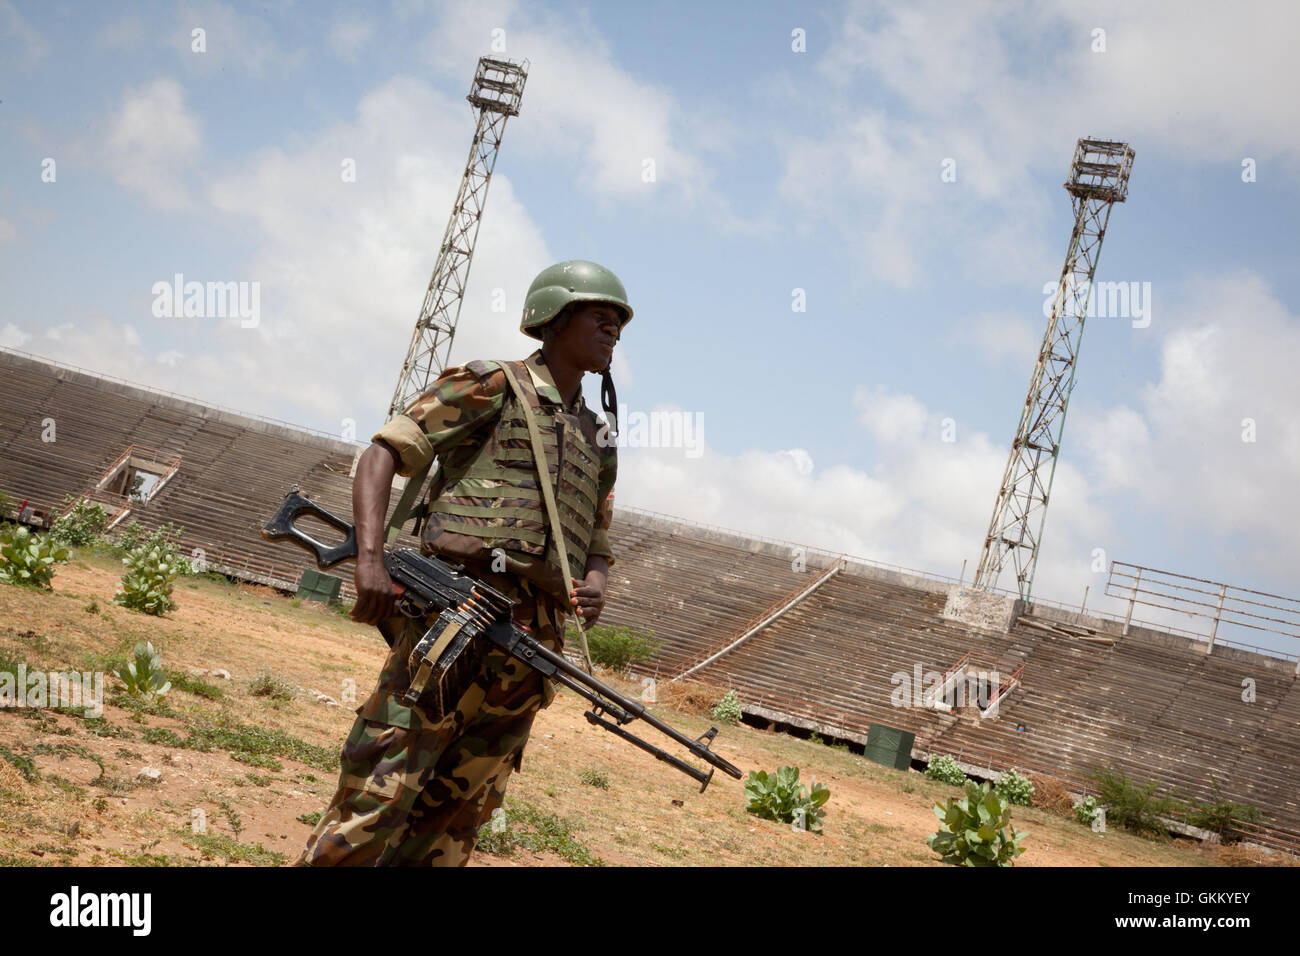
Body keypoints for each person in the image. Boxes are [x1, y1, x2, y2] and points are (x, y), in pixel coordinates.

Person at [293, 260, 631, 866]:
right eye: (599, 317)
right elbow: (383, 452)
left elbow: (596, 538)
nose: (613, 331)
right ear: (553, 319)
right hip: (456, 616)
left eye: (619, 324)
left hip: (532, 646)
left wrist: (596, 585)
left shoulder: (597, 436)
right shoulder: (493, 384)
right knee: (383, 786)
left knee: (456, 816)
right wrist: (370, 559)